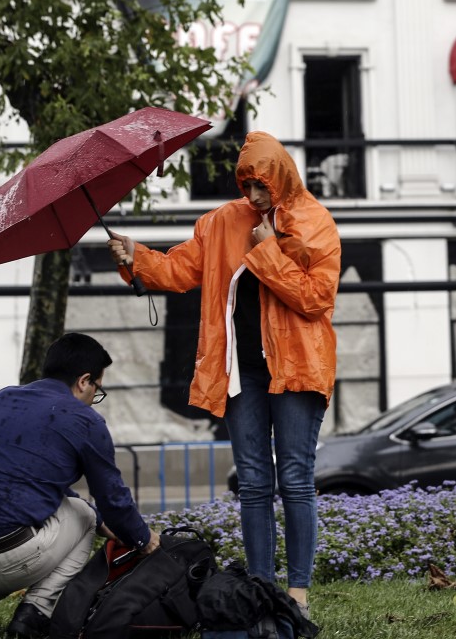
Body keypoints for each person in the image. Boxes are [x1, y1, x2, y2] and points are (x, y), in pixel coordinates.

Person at [107, 130, 340, 615]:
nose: (254, 195)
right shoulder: (219, 223)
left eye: (262, 186)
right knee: (253, 482)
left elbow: (316, 298)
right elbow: (178, 270)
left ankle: (297, 594)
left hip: (296, 368)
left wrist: (269, 250)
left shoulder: (314, 222)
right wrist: (136, 257)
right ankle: (260, 588)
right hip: (240, 373)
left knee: (295, 478)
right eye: (246, 185)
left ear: (281, 179)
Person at [0, 332, 158, 639]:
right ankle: (35, 615)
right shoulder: (85, 420)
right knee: (84, 515)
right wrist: (143, 538)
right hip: (3, 559)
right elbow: (112, 498)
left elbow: (32, 477)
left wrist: (104, 522)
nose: (94, 398)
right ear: (84, 381)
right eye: (98, 389)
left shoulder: (2, 398)